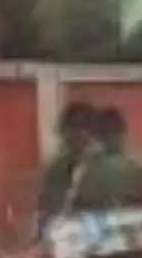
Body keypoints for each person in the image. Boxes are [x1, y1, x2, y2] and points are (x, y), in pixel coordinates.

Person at [36, 102, 98, 239]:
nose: (73, 136)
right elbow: (46, 207)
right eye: (69, 131)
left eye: (81, 130)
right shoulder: (57, 166)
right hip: (64, 236)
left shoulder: (101, 165)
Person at [70, 108, 142, 211]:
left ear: (97, 136)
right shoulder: (138, 166)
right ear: (122, 134)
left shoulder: (86, 168)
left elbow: (77, 206)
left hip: (95, 222)